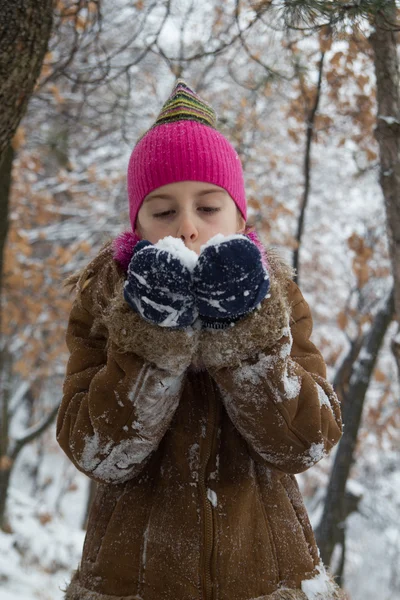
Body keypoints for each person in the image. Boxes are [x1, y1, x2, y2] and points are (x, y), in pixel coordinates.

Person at [56, 79, 345, 600]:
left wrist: (243, 334)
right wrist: (150, 338)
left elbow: (305, 443)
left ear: (239, 215)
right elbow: (99, 453)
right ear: (139, 224)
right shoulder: (102, 300)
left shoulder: (277, 298)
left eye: (207, 207)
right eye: (164, 211)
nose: (187, 227)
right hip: (133, 582)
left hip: (268, 576)